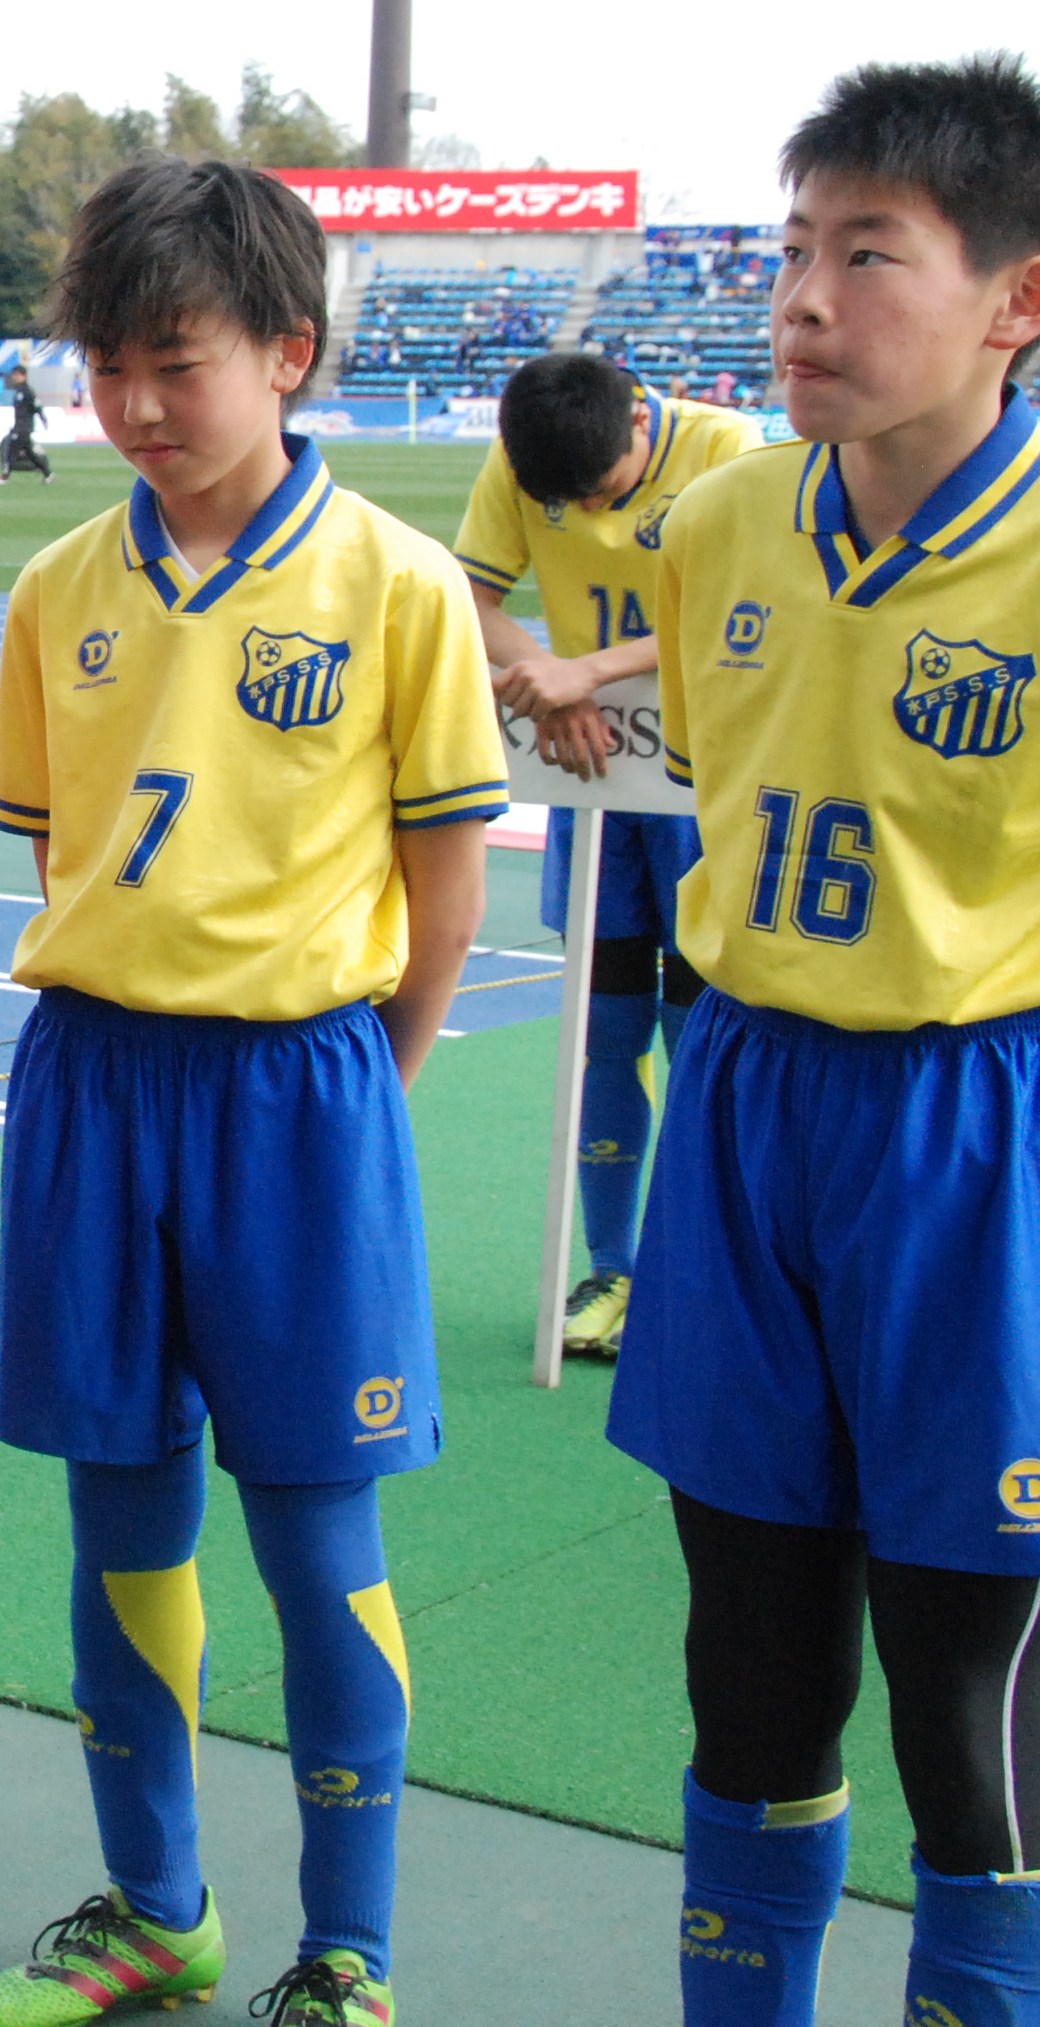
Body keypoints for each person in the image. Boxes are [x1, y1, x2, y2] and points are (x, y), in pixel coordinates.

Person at [614, 56, 1040, 2027]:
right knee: (745, 1666)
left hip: (979, 1130)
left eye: (867, 254)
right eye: (792, 248)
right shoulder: (721, 530)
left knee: (956, 1695)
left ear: (1022, 300)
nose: (803, 298)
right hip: (746, 1112)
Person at [0, 158, 500, 2027]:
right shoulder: (56, 585)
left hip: (302, 1095)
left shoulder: (397, 584)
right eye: (106, 362)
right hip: (96, 1086)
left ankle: (343, 1949)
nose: (132, 403)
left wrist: (366, 1080)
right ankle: (156, 1905)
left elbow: (446, 880)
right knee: (119, 1516)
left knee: (314, 1535)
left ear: (288, 351)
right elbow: (59, 856)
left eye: (174, 360)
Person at [455, 351, 760, 1360]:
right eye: (565, 503)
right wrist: (545, 671)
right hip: (596, 786)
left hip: (701, 783)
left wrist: (585, 666)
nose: (586, 514)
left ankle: (700, 1272)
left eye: (604, 490)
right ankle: (611, 1266)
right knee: (604, 1029)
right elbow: (468, 596)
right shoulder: (518, 459)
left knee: (700, 1038)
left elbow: (739, 618)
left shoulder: (725, 450)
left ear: (640, 416)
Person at [0, 369, 53, 483]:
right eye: (14, 375)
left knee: (12, 450)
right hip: (20, 426)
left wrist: (43, 420)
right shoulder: (19, 391)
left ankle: (4, 477)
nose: (14, 377)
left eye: (17, 375)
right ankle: (48, 474)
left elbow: (37, 407)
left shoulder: (27, 391)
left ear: (24, 376)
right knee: (30, 453)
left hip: (24, 427)